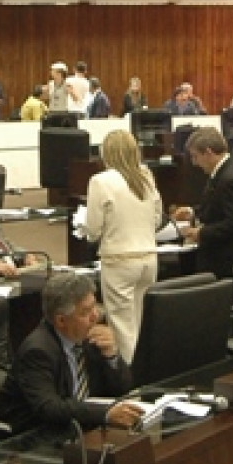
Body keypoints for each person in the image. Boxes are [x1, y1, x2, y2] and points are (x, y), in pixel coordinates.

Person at [0, 270, 141, 434]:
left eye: (95, 306)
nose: (95, 316)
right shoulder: (38, 351)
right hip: (37, 439)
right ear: (61, 320)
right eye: (85, 312)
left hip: (81, 429)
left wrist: (112, 355)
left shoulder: (89, 337)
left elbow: (122, 389)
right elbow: (50, 407)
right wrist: (105, 414)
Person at [82, 130, 163, 360]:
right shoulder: (146, 175)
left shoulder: (100, 181)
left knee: (123, 328)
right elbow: (156, 219)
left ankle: (129, 379)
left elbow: (93, 230)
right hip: (149, 258)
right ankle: (146, 370)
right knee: (142, 322)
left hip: (119, 261)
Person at [172, 125, 233, 284]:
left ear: (208, 153)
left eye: (195, 156)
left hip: (228, 263)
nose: (194, 163)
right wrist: (192, 211)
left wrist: (201, 233)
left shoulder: (229, 179)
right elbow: (218, 206)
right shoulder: (224, 171)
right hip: (223, 261)